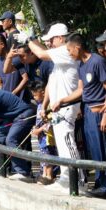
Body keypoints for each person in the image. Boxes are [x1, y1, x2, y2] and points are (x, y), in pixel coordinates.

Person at [16, 23, 83, 193]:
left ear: (60, 38)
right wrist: (44, 106)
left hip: (67, 106)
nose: (50, 43)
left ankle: (78, 181)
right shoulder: (58, 57)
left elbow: (40, 53)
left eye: (52, 40)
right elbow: (50, 82)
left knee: (68, 142)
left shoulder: (65, 51)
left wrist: (29, 39)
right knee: (61, 143)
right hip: (56, 107)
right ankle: (67, 177)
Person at [51, 33, 106, 197]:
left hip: (99, 112)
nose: (68, 53)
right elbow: (81, 90)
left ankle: (104, 185)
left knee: (102, 149)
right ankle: (99, 182)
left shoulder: (97, 61)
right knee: (94, 151)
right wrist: (62, 100)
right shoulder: (81, 66)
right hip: (88, 111)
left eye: (69, 50)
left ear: (78, 47)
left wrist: (105, 115)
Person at [29, 81, 58, 185]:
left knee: (48, 154)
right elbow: (38, 120)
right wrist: (35, 127)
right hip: (40, 136)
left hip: (47, 136)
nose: (34, 97)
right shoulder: (39, 105)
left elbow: (49, 123)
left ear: (43, 93)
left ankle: (49, 176)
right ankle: (44, 174)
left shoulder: (48, 105)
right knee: (43, 154)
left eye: (35, 95)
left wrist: (39, 130)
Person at [0, 34, 30, 103]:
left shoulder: (16, 58)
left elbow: (25, 79)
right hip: (7, 101)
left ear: (2, 45)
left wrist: (13, 94)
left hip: (21, 100)